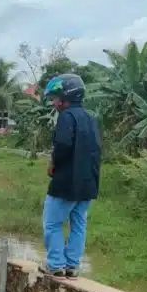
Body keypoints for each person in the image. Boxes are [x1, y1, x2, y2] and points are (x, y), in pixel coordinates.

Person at [42, 73, 101, 279]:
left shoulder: (67, 117)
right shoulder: (90, 118)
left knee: (53, 223)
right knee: (79, 224)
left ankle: (56, 265)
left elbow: (63, 146)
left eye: (56, 98)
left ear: (66, 97)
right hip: (87, 184)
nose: (55, 103)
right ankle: (72, 266)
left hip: (66, 182)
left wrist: (53, 164)